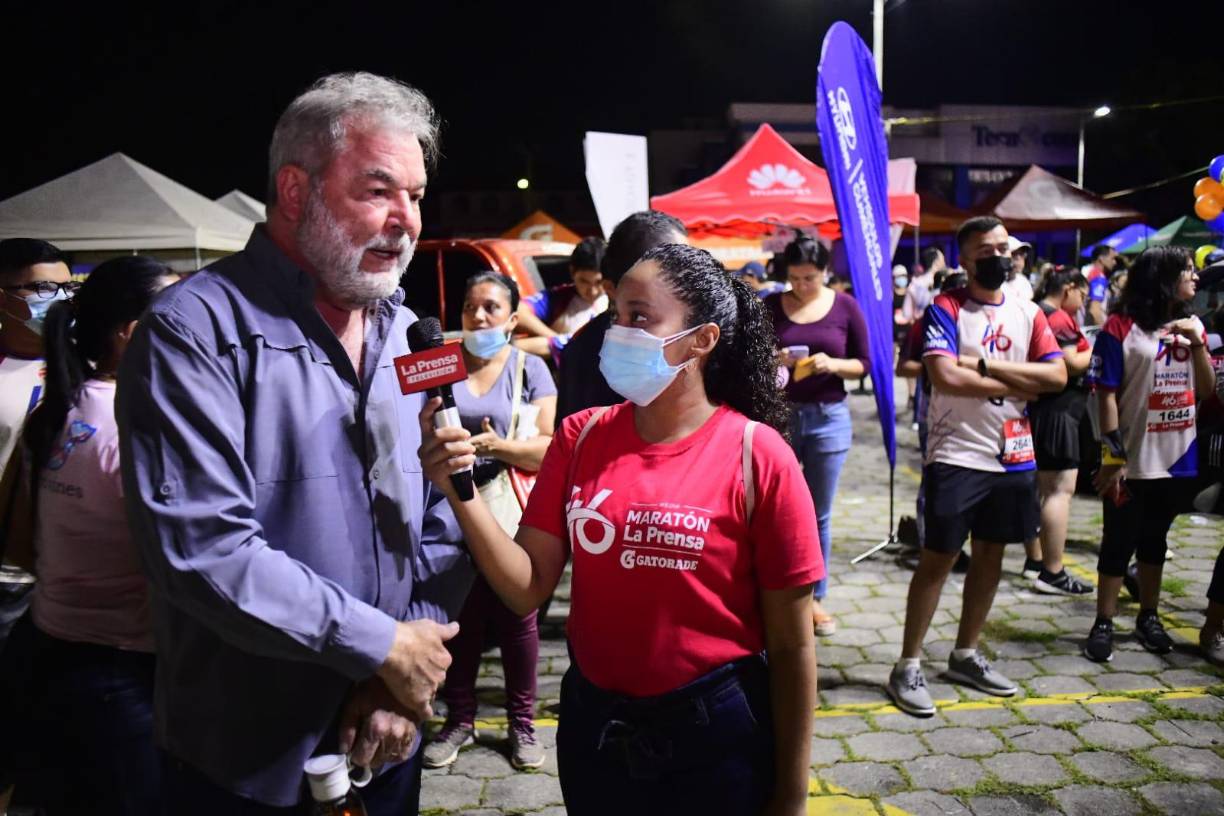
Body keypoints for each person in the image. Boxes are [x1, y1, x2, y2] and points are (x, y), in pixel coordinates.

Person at [116, 72, 475, 814]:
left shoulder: (408, 332)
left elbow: (443, 515)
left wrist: (402, 670)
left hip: (389, 734)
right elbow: (203, 549)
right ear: (293, 191)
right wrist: (382, 645)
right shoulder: (194, 332)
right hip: (250, 761)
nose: (405, 219)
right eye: (378, 190)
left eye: (415, 194)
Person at [419, 243, 821, 816]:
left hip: (713, 733)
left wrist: (791, 794)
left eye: (640, 316)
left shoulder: (759, 456)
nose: (619, 331)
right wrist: (458, 486)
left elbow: (792, 644)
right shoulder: (581, 436)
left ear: (701, 339)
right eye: (616, 314)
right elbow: (525, 585)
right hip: (596, 726)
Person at [15, 257, 179, 814]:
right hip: (122, 670)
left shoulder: (57, 410)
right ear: (132, 334)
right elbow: (177, 565)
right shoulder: (134, 430)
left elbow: (18, 544)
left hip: (51, 648)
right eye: (178, 314)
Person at [887, 216, 1066, 717]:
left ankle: (965, 652)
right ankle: (907, 663)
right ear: (964, 259)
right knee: (938, 558)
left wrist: (984, 367)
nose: (999, 255)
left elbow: (1055, 376)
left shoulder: (1028, 312)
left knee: (992, 556)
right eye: (986, 249)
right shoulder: (946, 307)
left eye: (1004, 247)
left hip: (1013, 456)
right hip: (955, 454)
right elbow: (943, 376)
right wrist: (1019, 384)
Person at [424, 273, 556, 771]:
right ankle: (459, 720)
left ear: (512, 317)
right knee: (460, 618)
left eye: (491, 308)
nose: (478, 318)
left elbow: (548, 449)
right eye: (469, 308)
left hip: (507, 511)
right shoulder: (440, 365)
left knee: (517, 619)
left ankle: (522, 725)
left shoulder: (531, 367)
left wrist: (496, 447)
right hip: (449, 510)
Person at [1081, 246, 1213, 663]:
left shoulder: (1193, 327)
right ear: (1161, 278)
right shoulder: (1119, 329)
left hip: (1177, 457)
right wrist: (1113, 458)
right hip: (1130, 457)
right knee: (1117, 540)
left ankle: (1149, 616)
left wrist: (1196, 344)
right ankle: (1103, 620)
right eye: (1187, 269)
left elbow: (1207, 391)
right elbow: (1105, 399)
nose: (1195, 276)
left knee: (1156, 540)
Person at [0, 237, 74, 814]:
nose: (59, 300)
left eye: (68, 287)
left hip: (79, 583)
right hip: (9, 583)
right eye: (42, 288)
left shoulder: (87, 364)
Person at [766, 235, 868, 638]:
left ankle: (814, 597)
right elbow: (748, 357)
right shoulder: (771, 306)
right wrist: (774, 359)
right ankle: (776, 588)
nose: (801, 286)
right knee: (779, 509)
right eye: (793, 278)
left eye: (809, 277)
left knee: (818, 512)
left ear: (825, 273)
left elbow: (866, 363)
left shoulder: (845, 306)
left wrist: (834, 364)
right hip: (782, 417)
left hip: (829, 417)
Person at [554, 210, 687, 423]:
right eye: (679, 269)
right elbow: (570, 442)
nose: (693, 277)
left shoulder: (697, 335)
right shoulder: (583, 349)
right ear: (613, 289)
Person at [1024, 268, 1095, 596]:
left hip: (1045, 410)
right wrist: (1098, 345)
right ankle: (1052, 571)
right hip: (1058, 410)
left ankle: (1037, 562)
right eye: (1082, 295)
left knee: (1043, 491)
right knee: (1058, 492)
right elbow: (1069, 363)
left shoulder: (1035, 310)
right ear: (1068, 289)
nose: (1083, 303)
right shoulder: (1058, 318)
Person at [515, 237, 609, 363]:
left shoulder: (619, 300)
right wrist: (555, 338)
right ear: (572, 272)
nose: (592, 291)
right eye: (584, 281)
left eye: (599, 282)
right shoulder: (559, 297)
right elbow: (518, 311)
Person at [1084, 244, 1118, 326]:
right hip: (1094, 330)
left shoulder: (1089, 272)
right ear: (1101, 259)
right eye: (1112, 258)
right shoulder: (1098, 277)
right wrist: (1104, 332)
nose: (1115, 262)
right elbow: (1095, 310)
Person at [1002, 236, 1034, 301]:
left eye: (1022, 253)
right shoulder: (996, 284)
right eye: (1014, 253)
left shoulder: (1023, 282)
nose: (1019, 258)